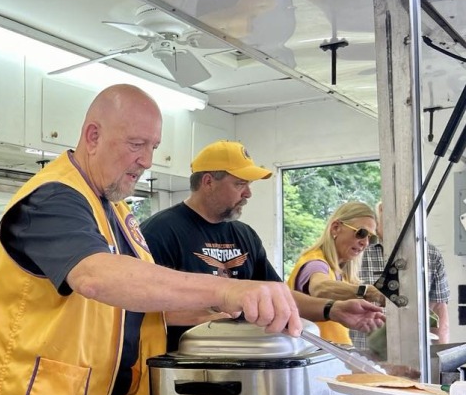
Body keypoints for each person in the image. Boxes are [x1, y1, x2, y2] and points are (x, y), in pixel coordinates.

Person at [0, 85, 305, 395]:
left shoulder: (115, 211)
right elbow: (96, 277)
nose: (146, 160)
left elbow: (137, 307)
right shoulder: (51, 199)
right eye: (135, 144)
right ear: (92, 136)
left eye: (153, 147)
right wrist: (226, 290)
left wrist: (226, 312)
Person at [140, 141, 385, 352]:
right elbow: (134, 310)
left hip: (245, 366)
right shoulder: (160, 232)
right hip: (180, 373)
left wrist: (333, 309)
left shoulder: (245, 235)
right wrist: (209, 312)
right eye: (239, 184)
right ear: (208, 182)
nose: (248, 193)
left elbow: (279, 295)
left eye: (249, 185)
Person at [352, 202, 450, 352]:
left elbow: (438, 309)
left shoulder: (430, 254)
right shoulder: (358, 250)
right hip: (364, 356)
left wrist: (440, 358)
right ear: (381, 212)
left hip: (414, 355)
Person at [286, 201, 384, 344]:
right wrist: (370, 292)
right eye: (361, 233)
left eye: (371, 237)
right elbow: (320, 288)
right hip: (316, 359)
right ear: (336, 228)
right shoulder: (315, 263)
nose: (365, 243)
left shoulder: (340, 272)